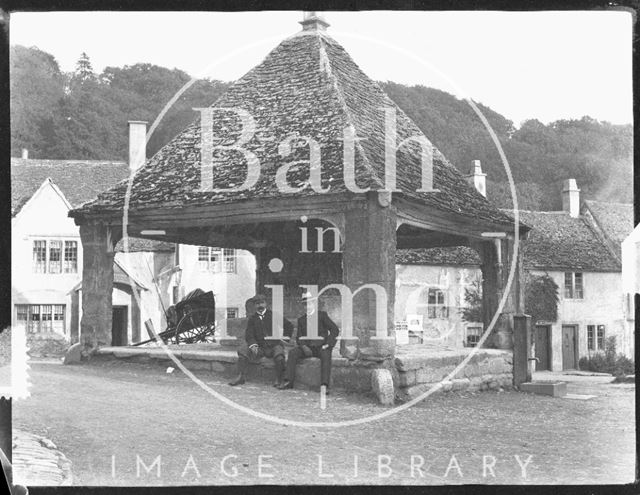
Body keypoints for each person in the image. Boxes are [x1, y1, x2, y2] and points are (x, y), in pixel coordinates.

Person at [278, 291, 339, 394]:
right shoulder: (301, 320)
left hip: (321, 347)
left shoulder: (322, 315)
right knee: (293, 353)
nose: (307, 306)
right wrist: (304, 347)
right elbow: (299, 337)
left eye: (310, 303)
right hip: (307, 348)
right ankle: (288, 381)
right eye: (305, 304)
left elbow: (334, 330)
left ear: (314, 303)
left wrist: (328, 343)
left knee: (326, 354)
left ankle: (324, 385)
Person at [228, 294, 293, 387]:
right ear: (254, 306)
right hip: (260, 347)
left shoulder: (273, 315)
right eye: (257, 304)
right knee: (243, 350)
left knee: (279, 356)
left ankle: (279, 379)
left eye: (262, 303)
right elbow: (249, 335)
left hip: (273, 345)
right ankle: (240, 376)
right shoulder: (252, 319)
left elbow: (288, 325)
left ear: (266, 303)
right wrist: (253, 345)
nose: (260, 306)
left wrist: (285, 338)